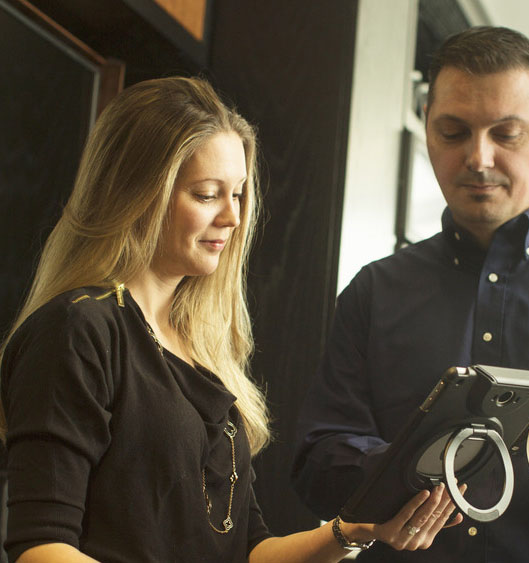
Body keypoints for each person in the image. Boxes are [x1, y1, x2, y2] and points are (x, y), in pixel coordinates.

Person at [0, 77, 465, 563]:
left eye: (238, 194)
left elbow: (248, 550)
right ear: (137, 194)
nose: (234, 218)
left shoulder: (200, 348)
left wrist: (351, 531)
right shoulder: (78, 330)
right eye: (206, 195)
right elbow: (41, 548)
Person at [292, 26, 529, 562]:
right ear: (427, 129)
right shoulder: (375, 291)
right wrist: (409, 470)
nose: (479, 157)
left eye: (506, 133)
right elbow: (315, 464)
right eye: (454, 132)